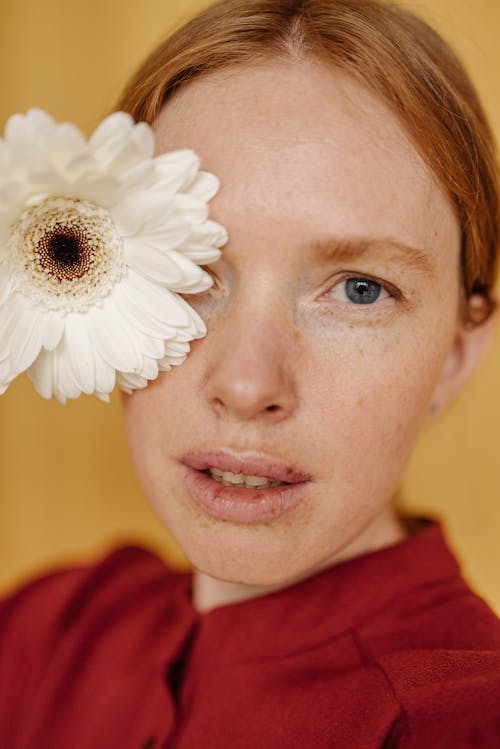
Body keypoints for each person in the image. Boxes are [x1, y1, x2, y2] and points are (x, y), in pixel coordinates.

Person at [1, 0, 499, 747]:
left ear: (456, 356)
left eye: (360, 289)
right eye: (191, 274)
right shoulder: (43, 635)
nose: (247, 383)